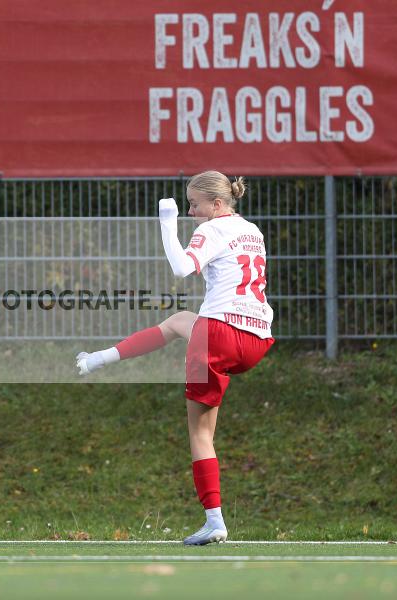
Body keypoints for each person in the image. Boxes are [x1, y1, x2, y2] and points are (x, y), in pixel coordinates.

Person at [76, 171, 274, 545]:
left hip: (218, 335)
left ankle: (214, 521)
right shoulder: (252, 230)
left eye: (194, 205)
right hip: (257, 338)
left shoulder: (211, 229)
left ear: (217, 204)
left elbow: (182, 268)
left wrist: (167, 223)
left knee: (200, 434)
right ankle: (99, 358)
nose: (190, 211)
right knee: (180, 321)